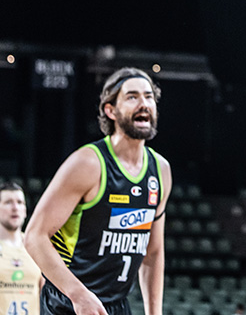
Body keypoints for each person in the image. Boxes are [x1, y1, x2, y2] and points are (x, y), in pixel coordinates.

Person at [24, 68, 172, 315]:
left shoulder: (160, 170)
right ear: (110, 110)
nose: (144, 104)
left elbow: (153, 252)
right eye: (132, 97)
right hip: (69, 302)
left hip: (117, 304)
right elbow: (34, 236)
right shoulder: (88, 163)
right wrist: (78, 295)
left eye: (149, 97)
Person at [0, 182, 43, 315]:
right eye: (8, 202)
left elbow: (44, 291)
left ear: (25, 210)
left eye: (20, 203)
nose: (15, 208)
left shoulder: (36, 246)